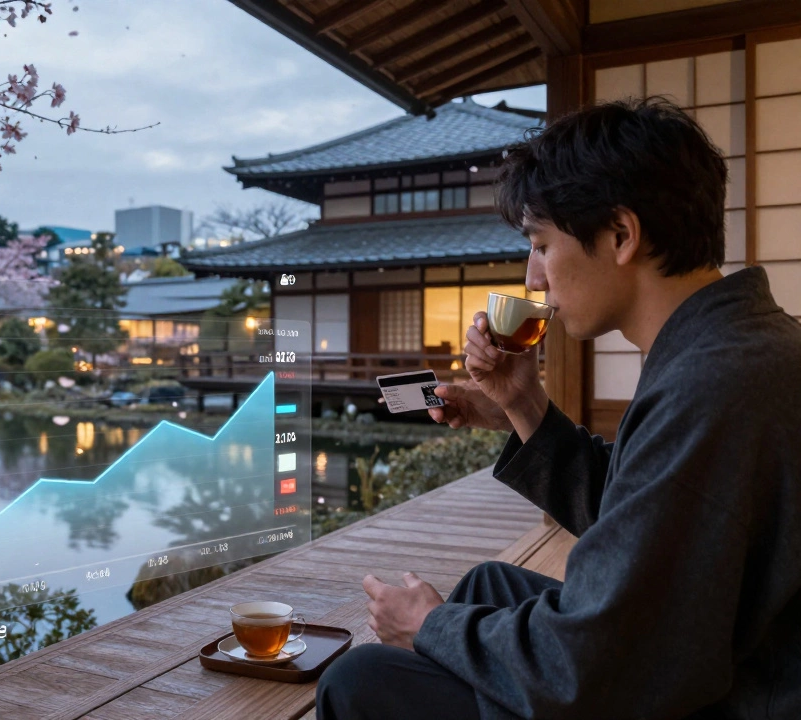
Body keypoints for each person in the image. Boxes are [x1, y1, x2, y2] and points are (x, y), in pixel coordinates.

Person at [316, 97, 801, 719]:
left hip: (733, 695)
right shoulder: (732, 345)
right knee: (492, 585)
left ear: (621, 235)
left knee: (362, 679)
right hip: (720, 656)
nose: (534, 277)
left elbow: (598, 664)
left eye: (541, 243)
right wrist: (522, 404)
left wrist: (431, 626)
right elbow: (653, 519)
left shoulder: (713, 383)